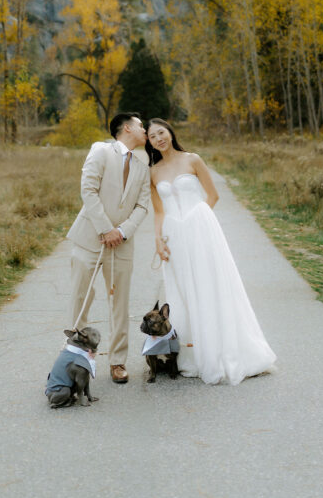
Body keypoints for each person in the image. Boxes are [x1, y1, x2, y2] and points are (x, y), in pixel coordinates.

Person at [146, 118, 276, 385]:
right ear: (148, 142)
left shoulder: (192, 160)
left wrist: (198, 224)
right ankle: (191, 355)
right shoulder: (154, 172)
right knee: (182, 291)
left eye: (161, 132)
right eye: (152, 136)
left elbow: (212, 195)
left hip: (200, 233)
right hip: (174, 237)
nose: (158, 138)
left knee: (209, 286)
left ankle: (221, 350)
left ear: (170, 133)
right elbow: (159, 211)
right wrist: (158, 240)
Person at [67, 111, 150, 384]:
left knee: (120, 304)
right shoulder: (101, 151)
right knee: (81, 298)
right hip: (90, 238)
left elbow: (142, 206)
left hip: (122, 246)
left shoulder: (141, 167)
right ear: (126, 128)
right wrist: (106, 229)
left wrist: (122, 232)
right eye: (141, 125)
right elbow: (88, 190)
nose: (145, 129)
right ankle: (77, 359)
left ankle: (117, 362)